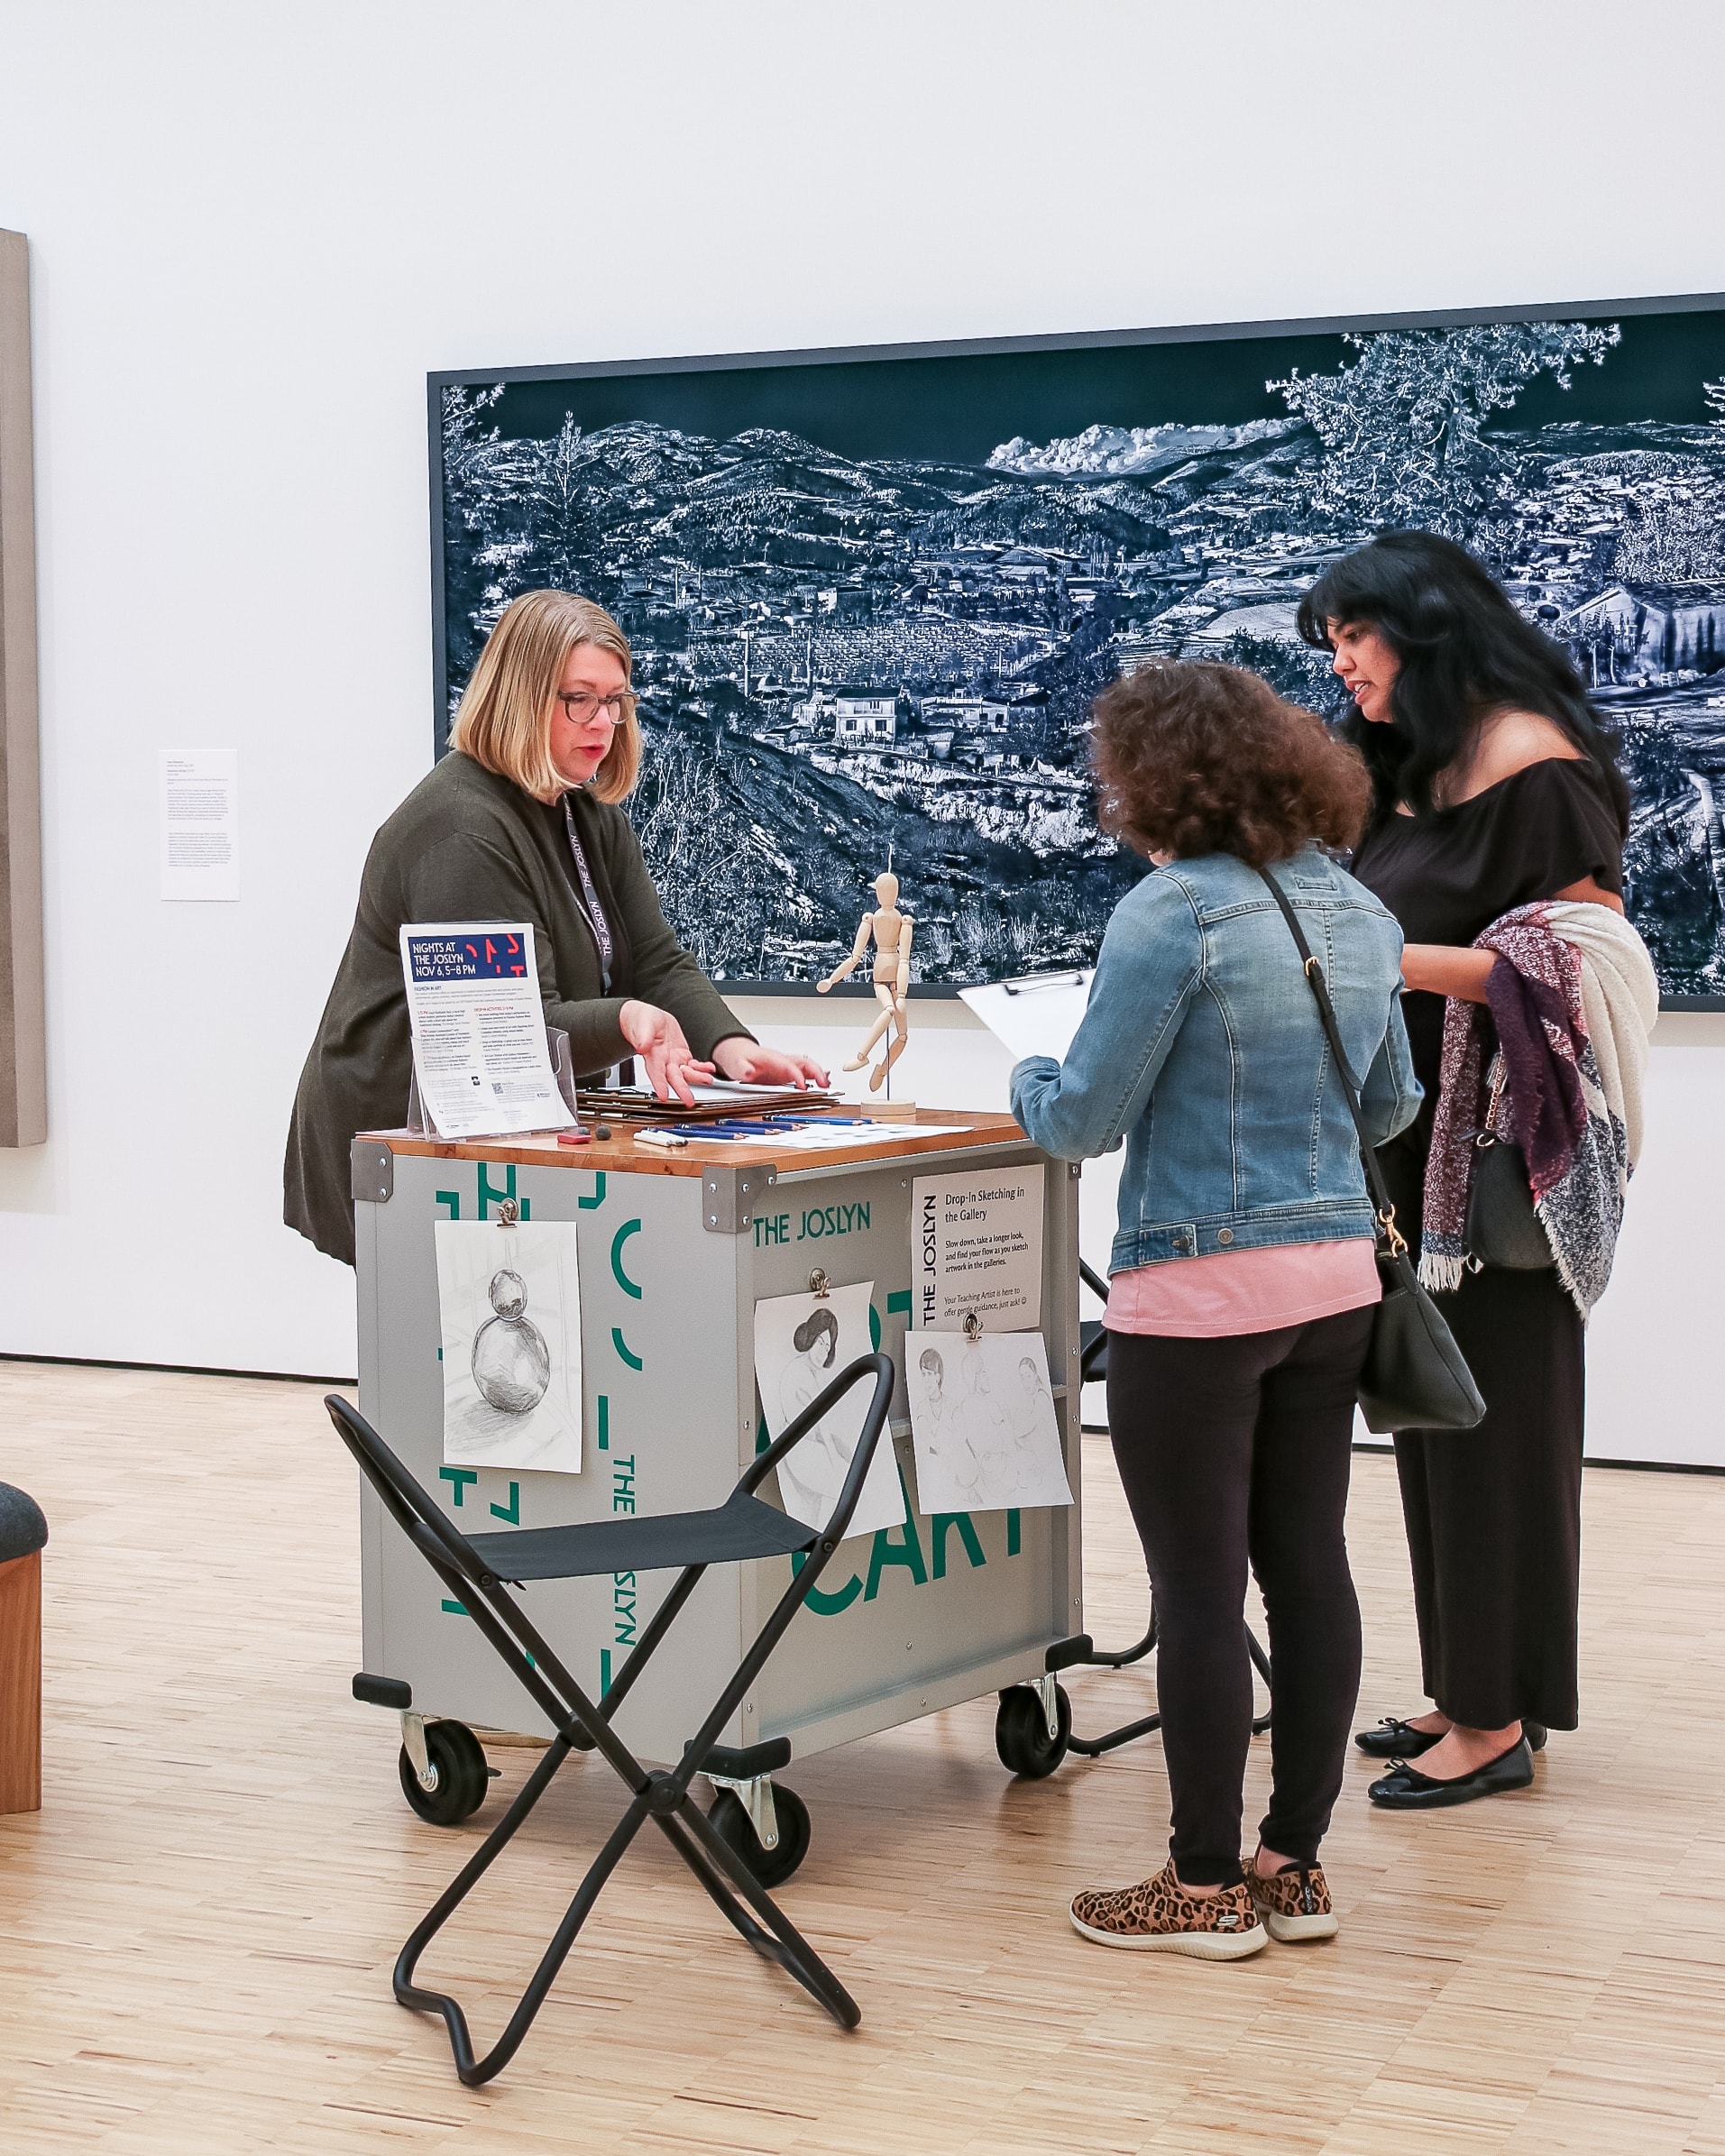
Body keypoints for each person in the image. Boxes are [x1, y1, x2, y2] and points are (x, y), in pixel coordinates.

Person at [1013, 659, 1420, 1959]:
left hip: (1194, 1291)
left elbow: (1083, 1116)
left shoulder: (1166, 911)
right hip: (1334, 1285)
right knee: (1308, 1566)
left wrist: (1026, 1066)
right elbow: (1391, 1105)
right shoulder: (1356, 910)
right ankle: (1292, 1868)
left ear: (1155, 776)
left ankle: (1196, 1889)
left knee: (1197, 1582)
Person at [1297, 529, 1630, 1810]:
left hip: (1499, 1156)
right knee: (1434, 1414)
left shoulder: (1540, 771)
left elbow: (1585, 965)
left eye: (1353, 641)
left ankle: (1499, 1718)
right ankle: (1465, 1685)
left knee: (1501, 1426)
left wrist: (1386, 967)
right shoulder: (1419, 769)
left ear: (1422, 628)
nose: (1344, 672)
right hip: (1414, 1145)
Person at [285, 591, 827, 1266]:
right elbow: (509, 1033)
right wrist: (629, 1019)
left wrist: (731, 1048)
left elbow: (655, 958)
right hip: (400, 1132)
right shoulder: (460, 829)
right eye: (579, 699)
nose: (602, 721)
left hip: (499, 1124)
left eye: (615, 700)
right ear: (520, 695)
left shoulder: (585, 813)